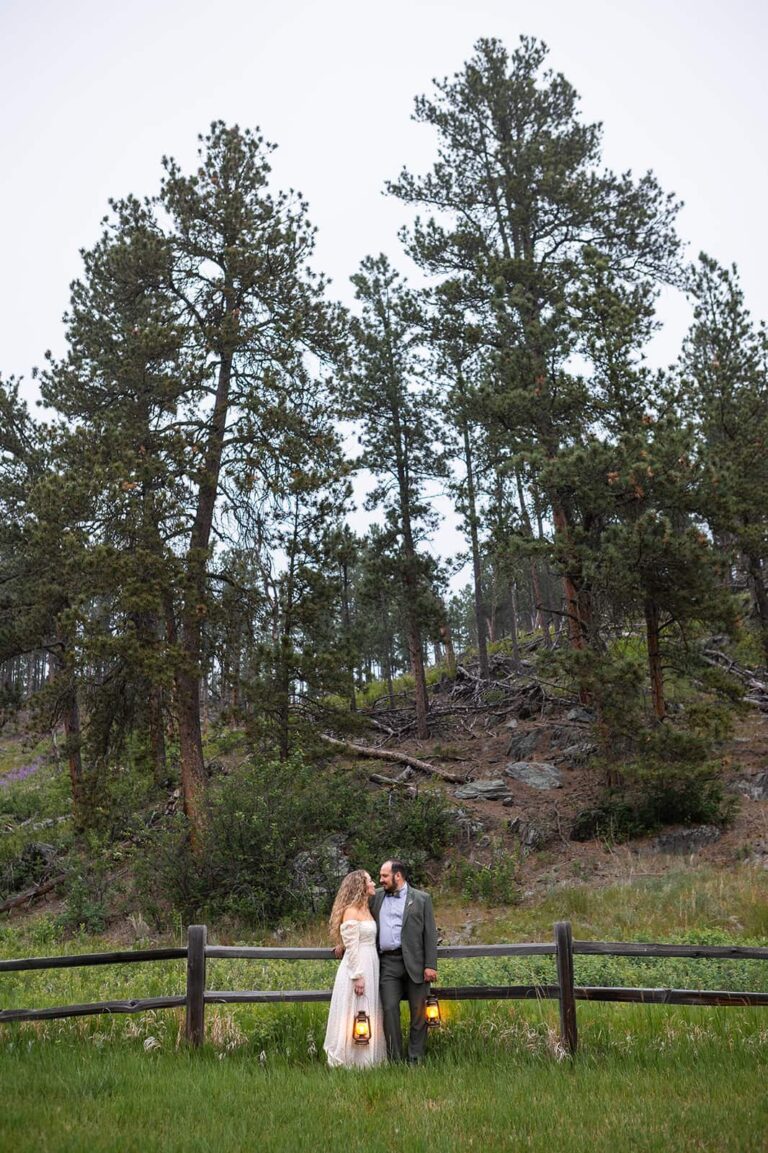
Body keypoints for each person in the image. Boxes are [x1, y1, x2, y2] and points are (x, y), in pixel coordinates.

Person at [371, 859, 438, 1064]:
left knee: (419, 1012)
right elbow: (356, 918)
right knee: (389, 1009)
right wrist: (341, 943)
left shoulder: (421, 899)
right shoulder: (376, 897)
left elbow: (430, 934)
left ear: (397, 876)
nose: (380, 880)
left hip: (415, 962)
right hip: (387, 964)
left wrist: (430, 965)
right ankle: (395, 1060)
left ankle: (415, 1058)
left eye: (384, 876)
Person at [323, 869, 386, 1068]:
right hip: (357, 963)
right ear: (360, 885)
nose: (374, 883)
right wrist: (357, 975)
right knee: (356, 1008)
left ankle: (369, 1058)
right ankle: (351, 1059)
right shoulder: (351, 911)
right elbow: (352, 945)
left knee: (369, 1007)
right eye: (369, 880)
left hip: (371, 961)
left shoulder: (368, 908)